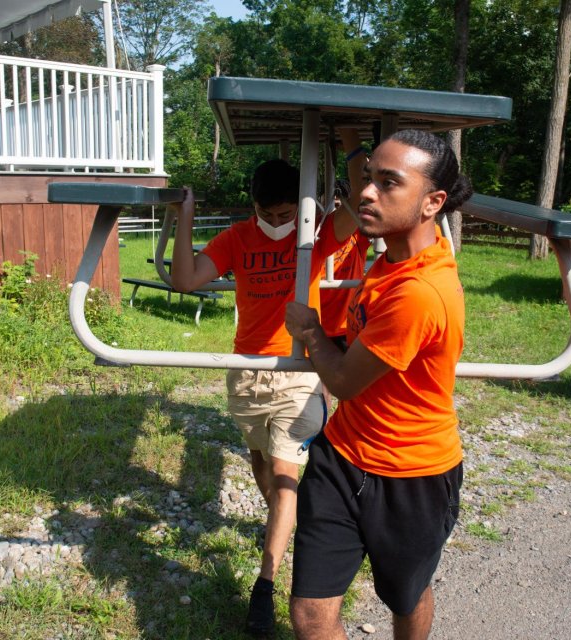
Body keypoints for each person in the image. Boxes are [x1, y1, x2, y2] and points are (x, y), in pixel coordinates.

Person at [169, 132, 363, 637]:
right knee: (261, 465)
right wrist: (185, 214)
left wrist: (352, 149)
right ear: (254, 207)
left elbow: (364, 205)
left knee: (283, 474)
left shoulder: (317, 234)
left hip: (297, 373)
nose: (277, 225)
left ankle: (265, 583)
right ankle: (282, 523)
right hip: (247, 372)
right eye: (268, 215)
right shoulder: (237, 238)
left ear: (298, 209)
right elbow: (186, 280)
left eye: (285, 215)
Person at [284, 129, 473, 640]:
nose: (366, 193)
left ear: (433, 202)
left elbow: (344, 380)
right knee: (308, 613)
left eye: (389, 183)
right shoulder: (389, 256)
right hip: (342, 457)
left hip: (413, 475)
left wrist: (308, 331)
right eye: (368, 179)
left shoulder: (420, 292)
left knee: (405, 595)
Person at [319, 179, 372, 352]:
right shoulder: (311, 232)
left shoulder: (358, 233)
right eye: (331, 206)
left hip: (346, 325)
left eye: (341, 207)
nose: (337, 213)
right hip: (315, 324)